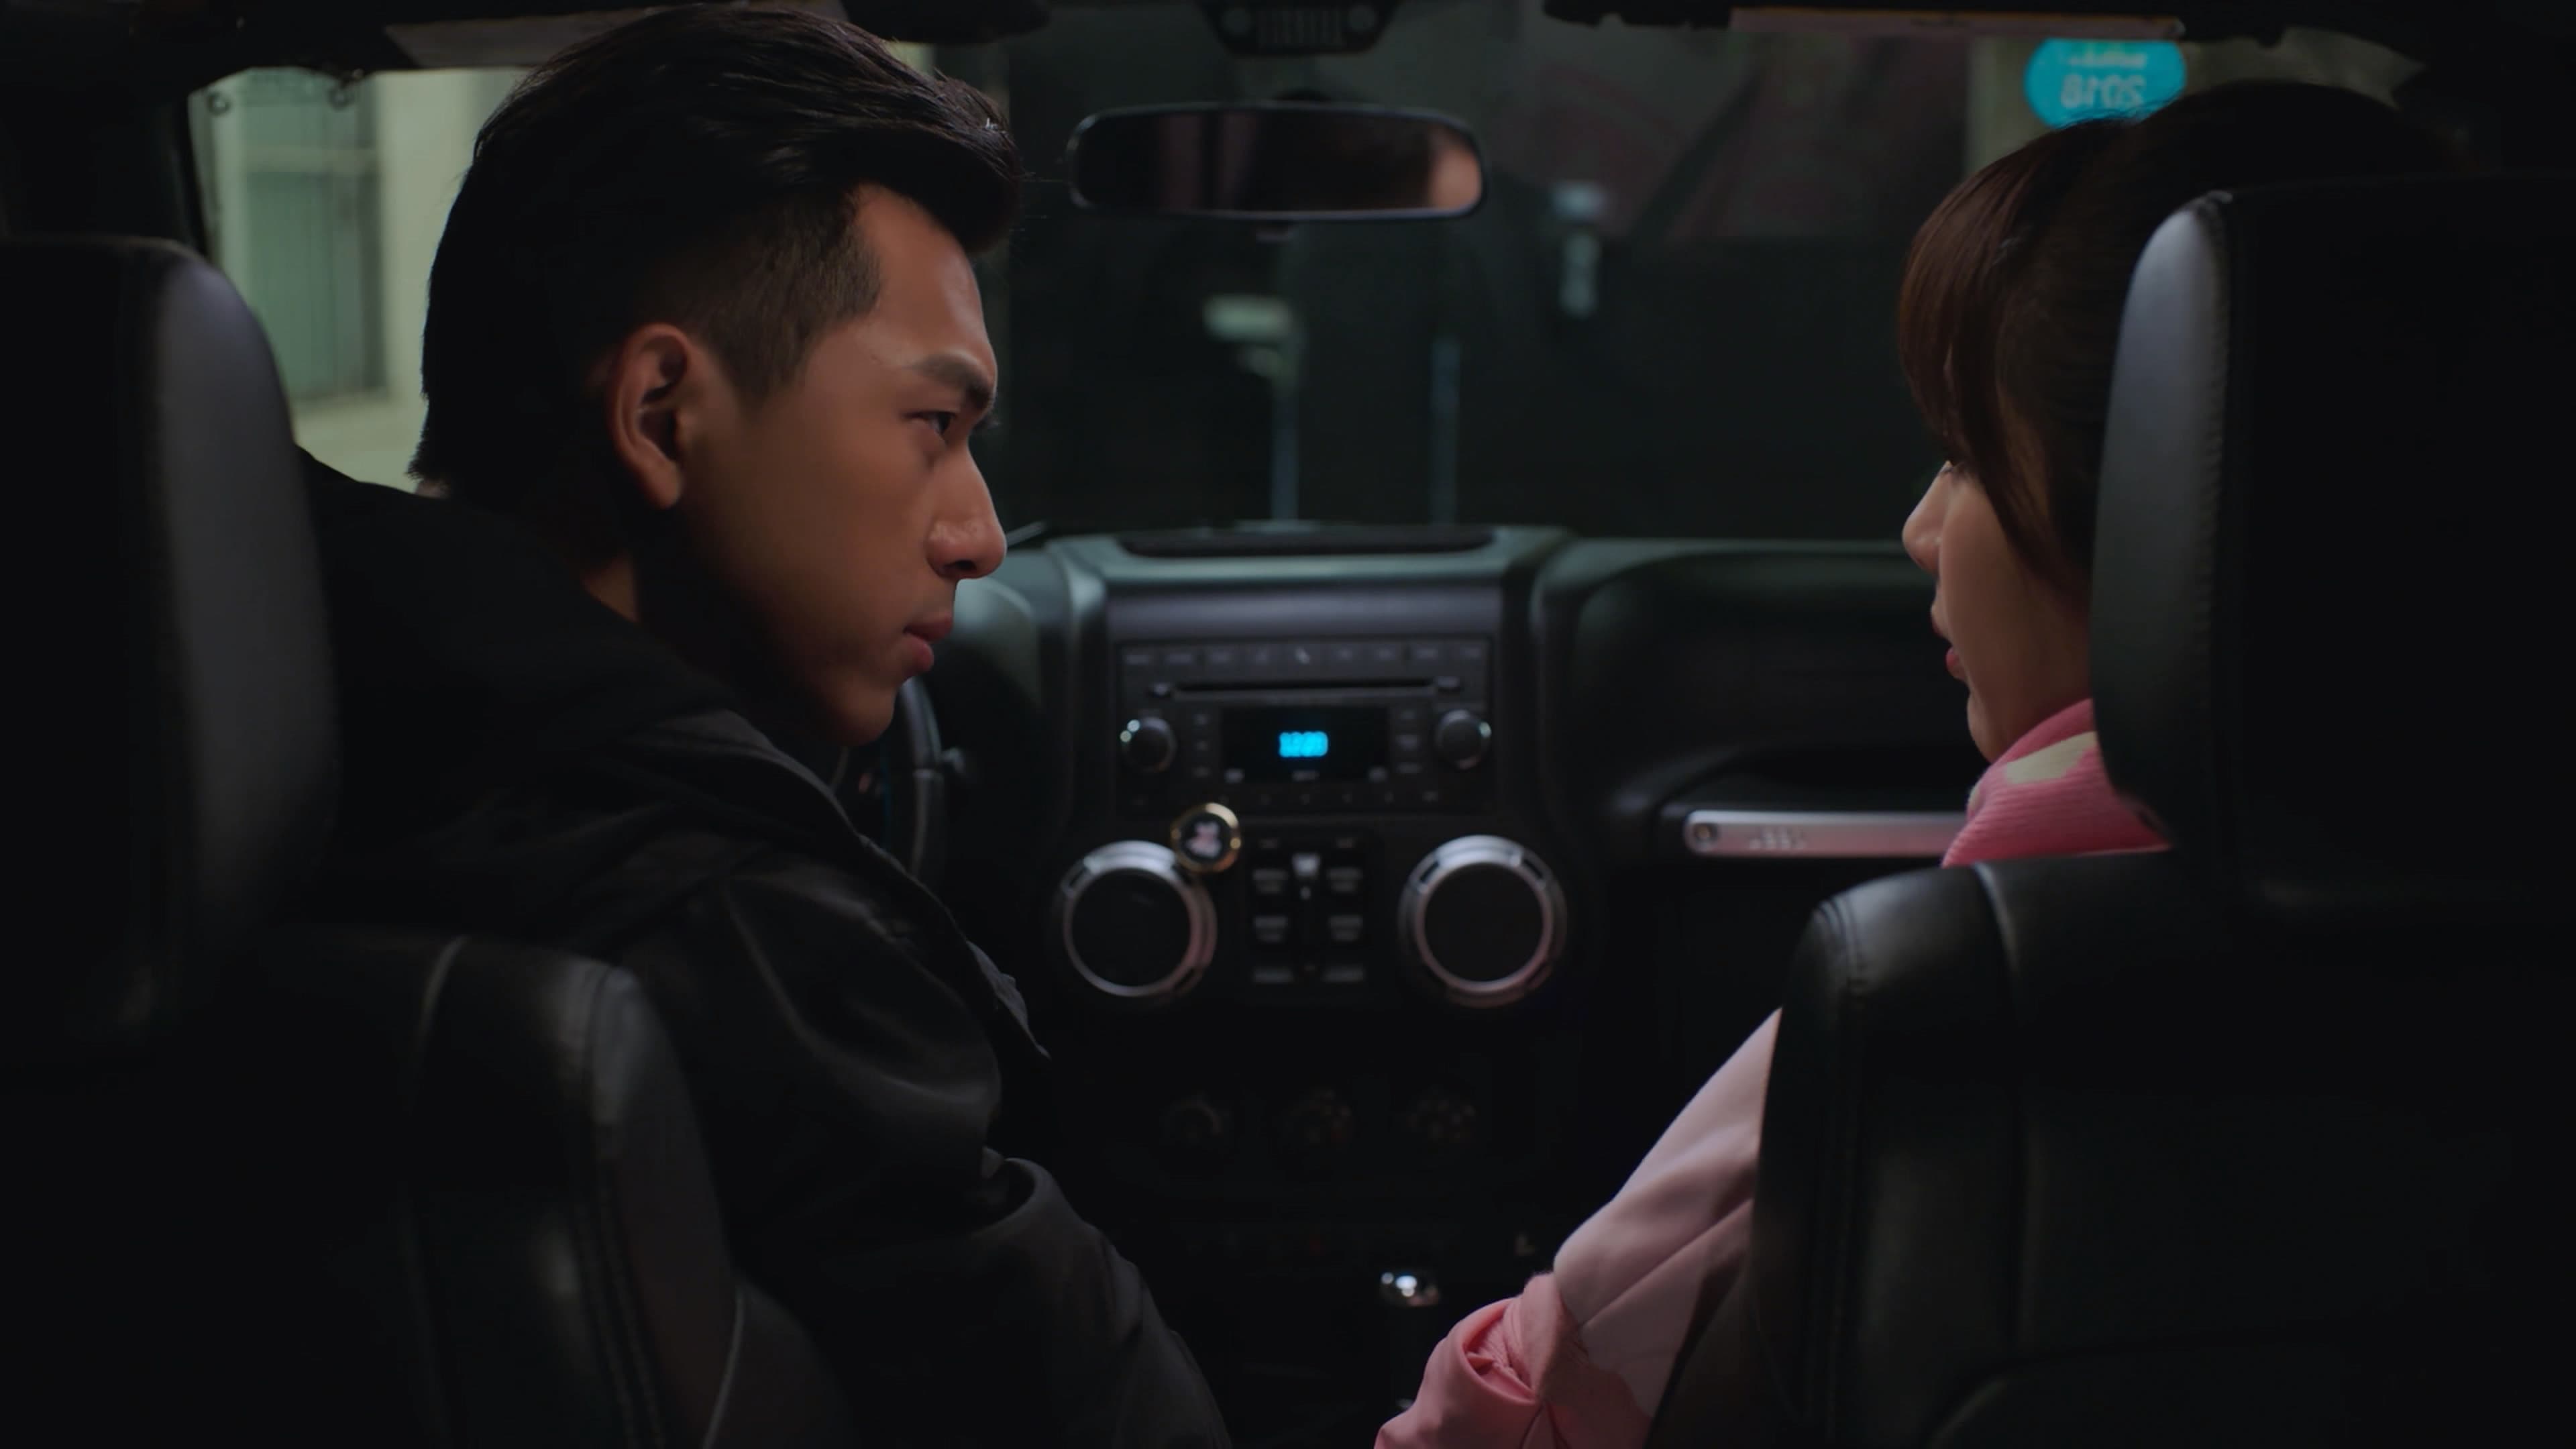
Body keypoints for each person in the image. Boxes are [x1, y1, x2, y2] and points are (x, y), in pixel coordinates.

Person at [1377, 80, 2464, 1449]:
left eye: (1965, 457)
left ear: (2163, 508)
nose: (1919, 528)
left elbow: (1536, 1396)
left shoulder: (1958, 994)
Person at [297, 7, 1228, 1446]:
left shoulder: (268, 750)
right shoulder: (749, 936)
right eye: (934, 426)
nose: (980, 534)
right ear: (663, 413)